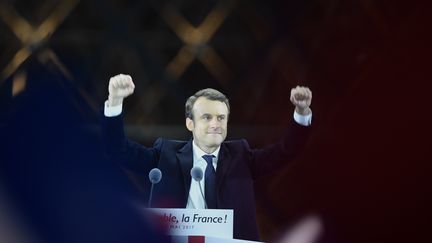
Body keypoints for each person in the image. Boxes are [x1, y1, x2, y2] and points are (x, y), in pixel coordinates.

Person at [102, 74, 313, 241]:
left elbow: (286, 151)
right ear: (190, 124)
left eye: (221, 118)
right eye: (207, 117)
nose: (216, 124)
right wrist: (115, 101)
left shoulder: (242, 156)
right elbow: (119, 150)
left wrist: (302, 112)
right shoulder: (165, 155)